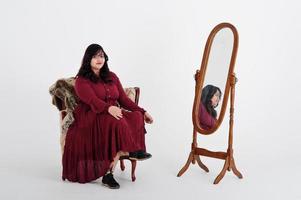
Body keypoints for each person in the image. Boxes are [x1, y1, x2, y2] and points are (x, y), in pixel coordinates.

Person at [62, 44, 153, 189]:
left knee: (135, 116)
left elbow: (123, 99)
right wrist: (108, 108)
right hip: (92, 115)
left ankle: (132, 153)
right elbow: (92, 100)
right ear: (88, 59)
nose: (99, 59)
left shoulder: (112, 77)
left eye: (102, 56)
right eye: (95, 56)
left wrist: (143, 111)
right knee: (117, 122)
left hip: (112, 113)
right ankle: (118, 164)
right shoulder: (82, 80)